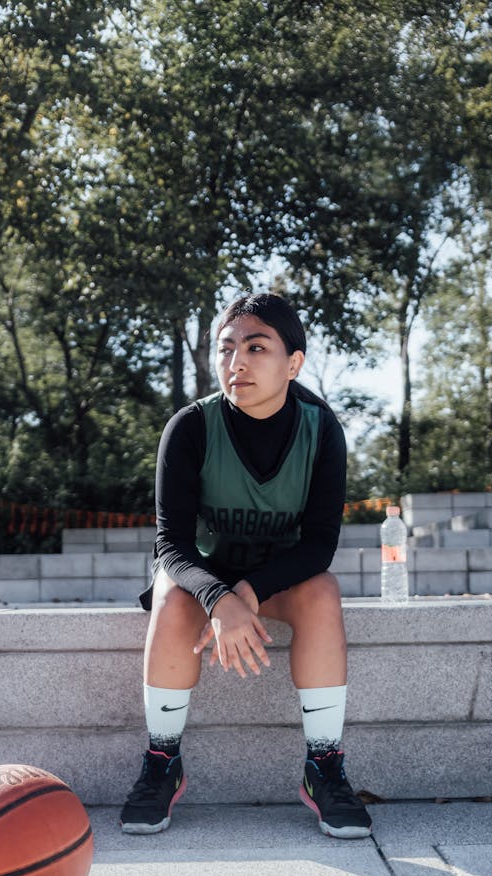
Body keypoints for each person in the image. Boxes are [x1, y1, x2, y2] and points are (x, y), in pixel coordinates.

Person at [120, 292, 371, 839]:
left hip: (275, 580)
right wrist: (220, 598)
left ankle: (323, 763)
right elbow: (172, 547)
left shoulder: (321, 427)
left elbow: (320, 543)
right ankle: (162, 758)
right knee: (168, 593)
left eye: (257, 347)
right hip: (200, 579)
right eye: (226, 347)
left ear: (294, 363)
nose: (237, 362)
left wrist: (249, 595)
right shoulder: (190, 427)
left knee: (323, 591)